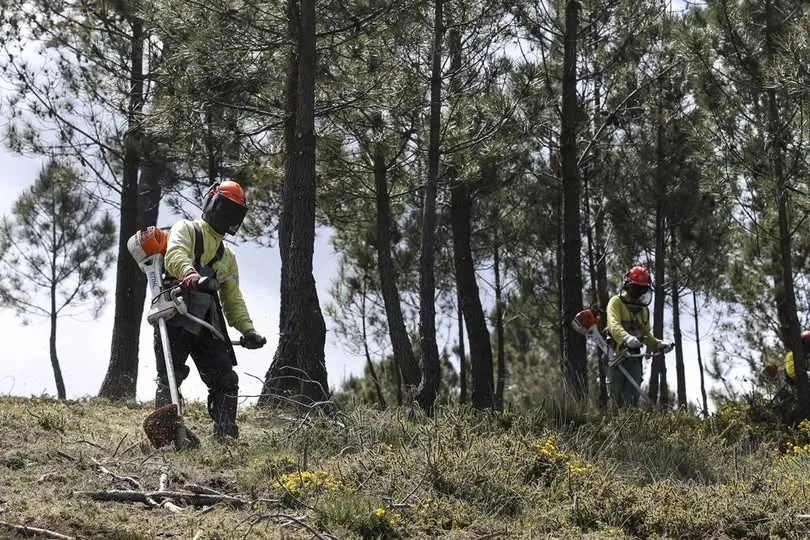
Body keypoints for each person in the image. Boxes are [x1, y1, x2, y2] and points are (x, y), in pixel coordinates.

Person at [154, 180, 266, 440]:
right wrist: (191, 276)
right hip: (175, 312)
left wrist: (248, 330)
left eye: (233, 213)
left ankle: (225, 435)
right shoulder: (187, 229)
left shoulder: (227, 257)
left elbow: (232, 297)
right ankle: (165, 430)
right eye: (224, 209)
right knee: (171, 375)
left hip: (207, 323)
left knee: (226, 378)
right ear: (211, 203)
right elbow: (174, 255)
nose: (227, 217)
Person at [605, 266, 673, 407]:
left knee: (632, 398)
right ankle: (613, 427)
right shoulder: (616, 302)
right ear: (628, 286)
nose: (639, 293)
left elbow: (646, 335)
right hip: (616, 356)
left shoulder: (643, 310)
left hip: (634, 358)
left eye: (642, 289)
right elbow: (613, 324)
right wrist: (626, 338)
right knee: (615, 398)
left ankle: (631, 427)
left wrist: (658, 344)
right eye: (636, 288)